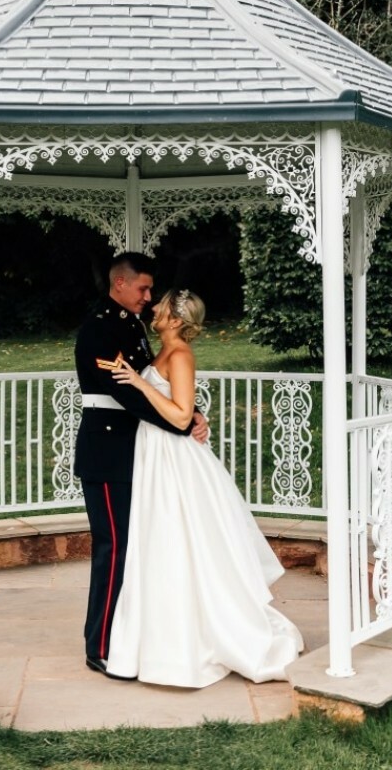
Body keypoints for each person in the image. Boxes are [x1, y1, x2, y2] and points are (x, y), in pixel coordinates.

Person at [106, 288, 304, 687]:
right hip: (154, 453)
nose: (155, 308)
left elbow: (180, 418)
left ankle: (204, 638)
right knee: (159, 541)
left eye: (161, 306)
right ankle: (158, 640)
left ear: (176, 320)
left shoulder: (180, 355)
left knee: (182, 539)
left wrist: (138, 384)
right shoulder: (158, 350)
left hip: (175, 459)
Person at [74, 253, 207, 679]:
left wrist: (193, 412)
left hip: (135, 452)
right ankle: (100, 644)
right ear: (119, 284)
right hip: (107, 453)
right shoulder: (98, 329)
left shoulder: (129, 324)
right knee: (113, 549)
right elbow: (129, 394)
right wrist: (184, 424)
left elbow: (153, 382)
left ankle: (129, 634)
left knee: (135, 548)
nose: (149, 298)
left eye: (152, 291)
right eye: (143, 289)